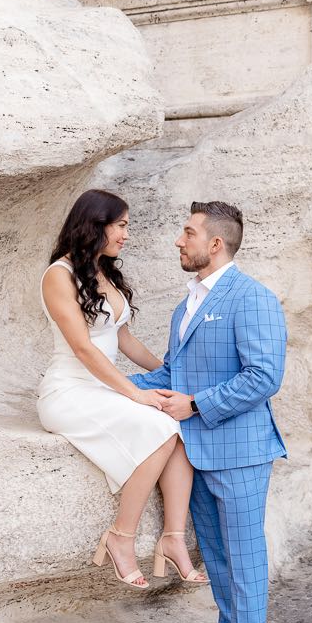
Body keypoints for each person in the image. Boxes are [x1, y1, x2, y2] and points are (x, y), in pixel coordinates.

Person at [129, 201, 287, 623]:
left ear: (214, 244)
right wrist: (104, 388)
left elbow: (264, 377)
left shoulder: (253, 298)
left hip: (239, 452)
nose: (180, 240)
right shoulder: (185, 307)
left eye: (188, 232)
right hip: (195, 454)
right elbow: (170, 375)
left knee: (244, 560)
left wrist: (196, 404)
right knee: (216, 558)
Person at [37, 189, 208, 590]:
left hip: (101, 390)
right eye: (122, 225)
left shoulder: (103, 272)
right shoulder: (58, 276)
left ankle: (172, 539)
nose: (126, 235)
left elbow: (124, 339)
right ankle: (121, 537)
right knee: (159, 430)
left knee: (177, 427)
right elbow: (83, 348)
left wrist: (170, 372)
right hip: (68, 392)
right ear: (95, 225)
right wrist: (136, 395)